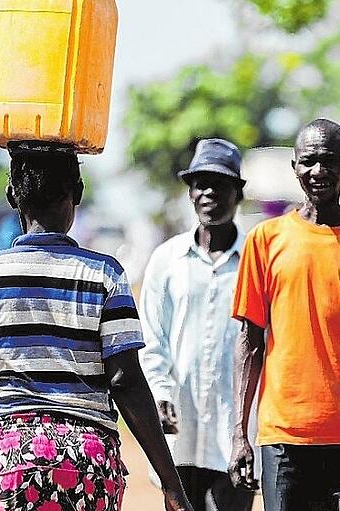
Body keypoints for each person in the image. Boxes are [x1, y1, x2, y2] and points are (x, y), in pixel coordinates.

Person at [0, 149, 193, 511]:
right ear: (79, 193)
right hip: (85, 467)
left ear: (11, 196)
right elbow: (125, 382)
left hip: (6, 465)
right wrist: (171, 484)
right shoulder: (105, 275)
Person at [228, 119, 340, 511]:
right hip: (285, 437)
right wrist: (238, 434)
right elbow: (249, 344)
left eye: (330, 162)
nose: (318, 172)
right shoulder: (265, 240)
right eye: (308, 162)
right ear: (294, 166)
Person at [139, 139, 255, 511]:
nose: (208, 193)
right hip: (179, 426)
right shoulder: (166, 260)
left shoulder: (256, 260)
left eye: (220, 184)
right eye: (200, 183)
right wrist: (160, 393)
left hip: (236, 429)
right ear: (189, 193)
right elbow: (151, 338)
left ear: (238, 193)